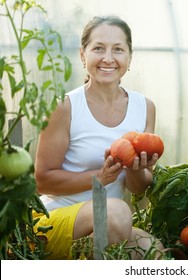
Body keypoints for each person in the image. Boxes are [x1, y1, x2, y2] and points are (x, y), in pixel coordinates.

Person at [33, 15, 163, 259]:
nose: (108, 58)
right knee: (115, 212)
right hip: (53, 221)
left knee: (154, 252)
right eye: (98, 48)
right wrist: (100, 178)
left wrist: (135, 169)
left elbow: (138, 188)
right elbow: (43, 181)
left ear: (129, 57)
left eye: (118, 50)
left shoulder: (145, 107)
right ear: (83, 55)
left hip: (111, 223)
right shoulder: (65, 106)